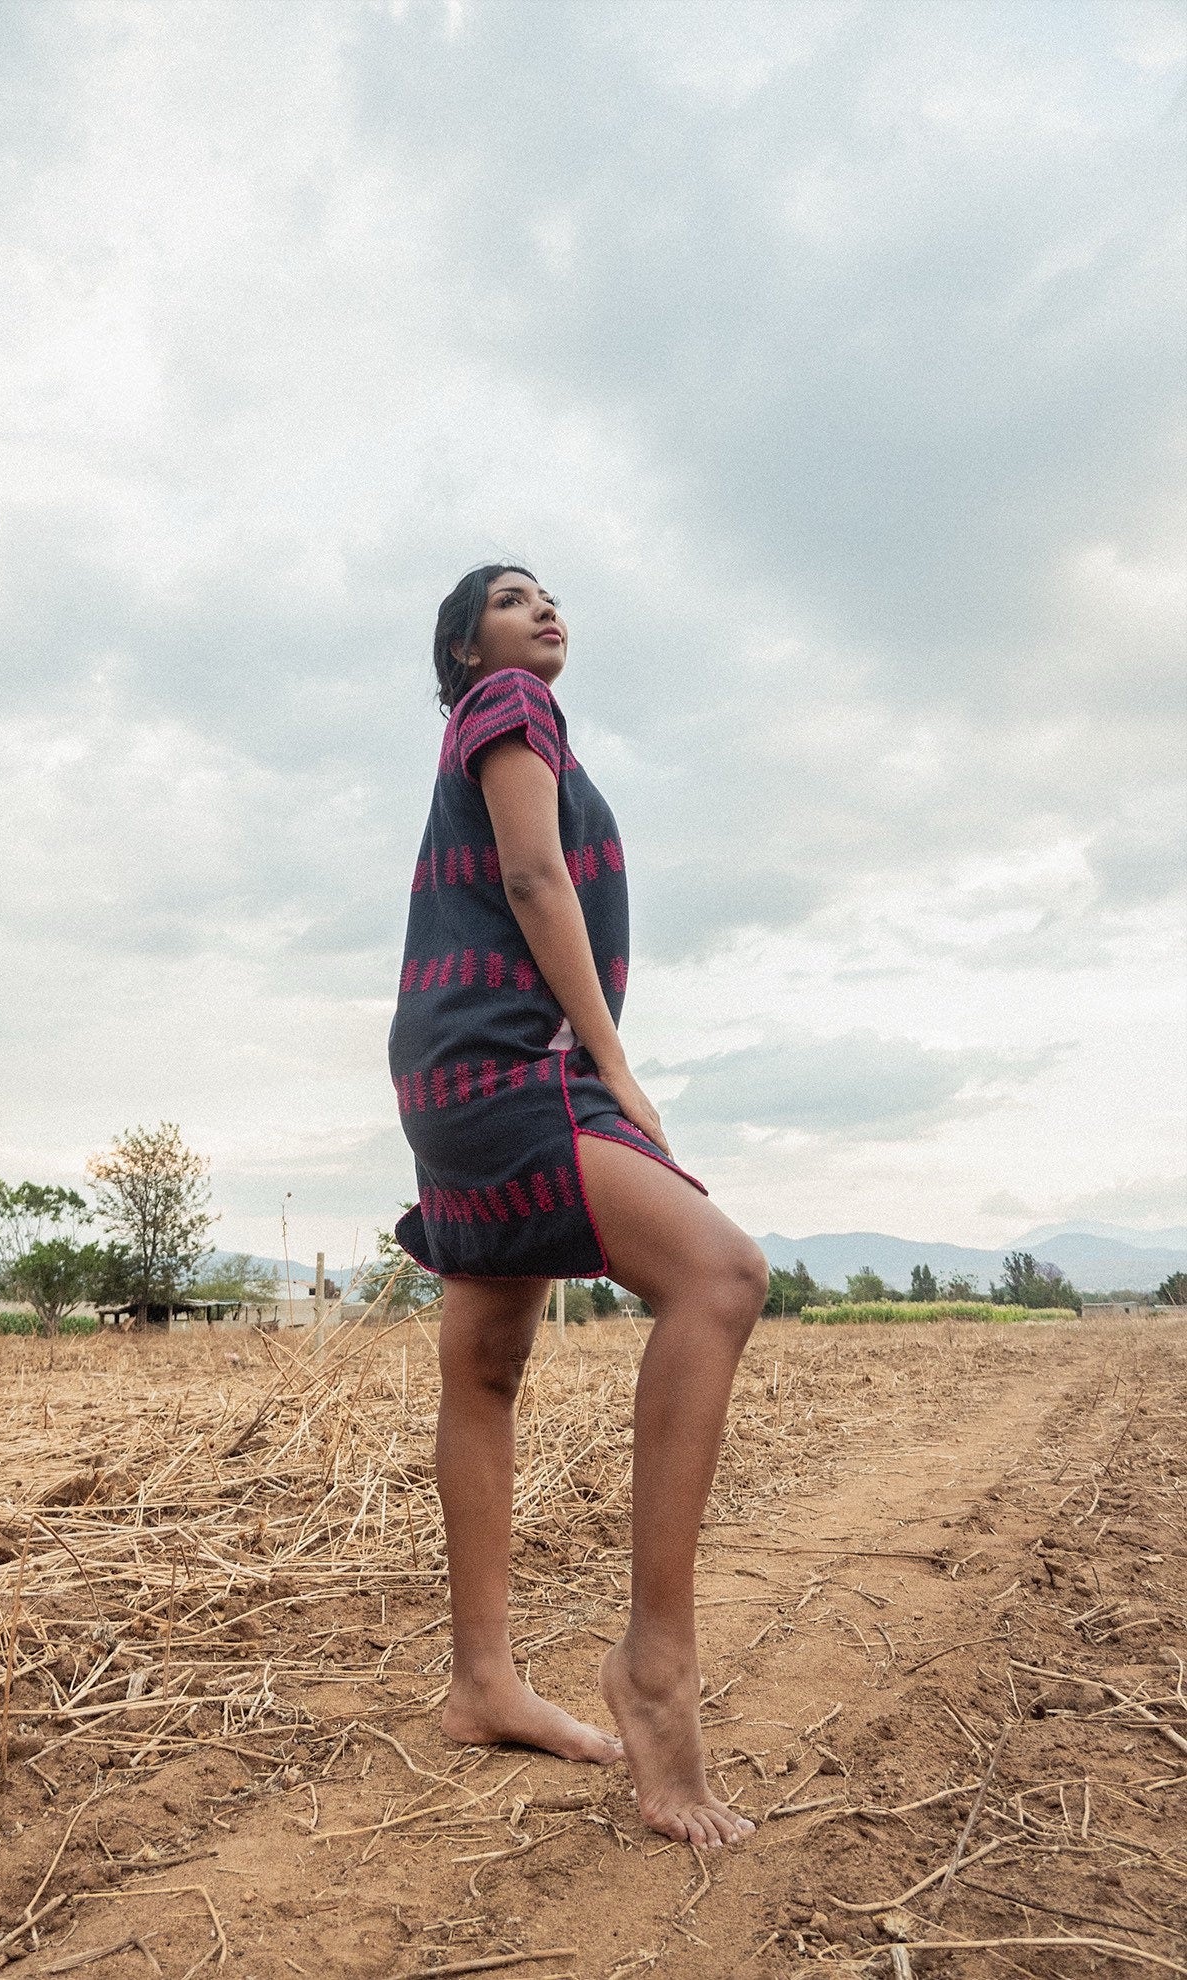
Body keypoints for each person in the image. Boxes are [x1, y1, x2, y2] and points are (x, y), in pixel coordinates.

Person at [388, 564, 769, 1848]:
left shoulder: (505, 719)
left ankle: (481, 1681)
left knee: (487, 1366)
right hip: (510, 1064)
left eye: (552, 597)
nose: (544, 612)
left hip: (451, 1065)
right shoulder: (507, 705)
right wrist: (615, 1070)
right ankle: (655, 1669)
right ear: (463, 648)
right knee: (720, 1276)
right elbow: (540, 883)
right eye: (510, 597)